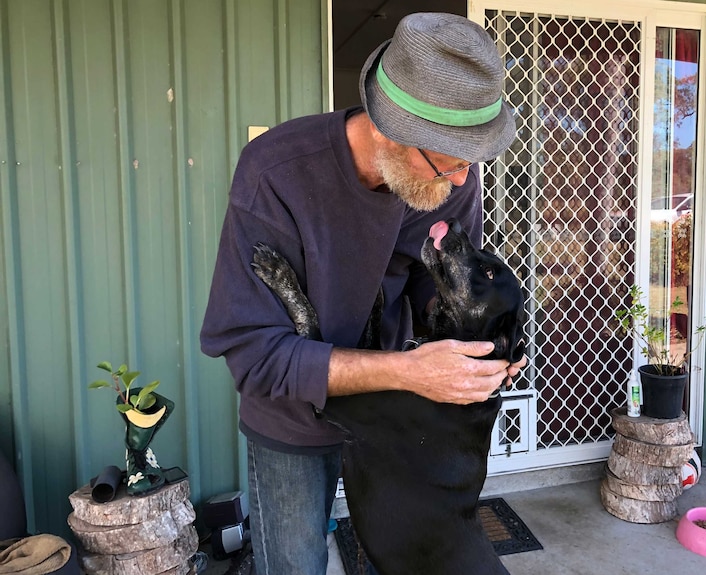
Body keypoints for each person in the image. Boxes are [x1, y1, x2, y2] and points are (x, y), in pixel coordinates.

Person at [200, 12, 525, 575]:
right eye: (448, 162)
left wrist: (470, 355)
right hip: (291, 423)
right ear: (387, 132)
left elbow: (434, 281)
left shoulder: (447, 180)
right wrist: (410, 372)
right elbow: (256, 360)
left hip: (398, 421)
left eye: (469, 161)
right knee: (297, 566)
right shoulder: (275, 173)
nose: (462, 182)